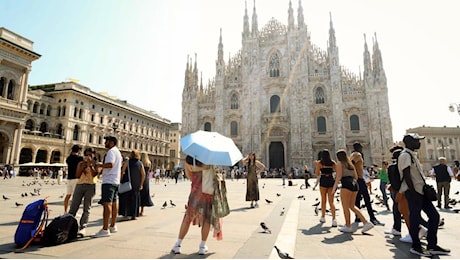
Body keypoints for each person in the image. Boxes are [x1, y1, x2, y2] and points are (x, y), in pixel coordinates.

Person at [399, 133, 450, 256]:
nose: (419, 143)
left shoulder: (412, 155)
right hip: (414, 192)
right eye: (417, 141)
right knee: (415, 218)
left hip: (421, 191)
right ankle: (416, 246)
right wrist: (413, 191)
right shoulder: (405, 155)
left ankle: (432, 245)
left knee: (434, 216)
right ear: (410, 142)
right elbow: (406, 175)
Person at [171, 156, 221, 255]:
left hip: (195, 193)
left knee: (188, 218)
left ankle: (178, 245)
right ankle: (202, 246)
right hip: (207, 193)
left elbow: (189, 176)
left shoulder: (189, 160)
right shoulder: (208, 160)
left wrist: (196, 171)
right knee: (206, 220)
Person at [333, 149, 374, 233]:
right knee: (352, 206)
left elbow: (338, 177)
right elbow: (356, 176)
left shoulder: (340, 164)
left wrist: (334, 189)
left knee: (345, 207)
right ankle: (366, 222)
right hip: (355, 185)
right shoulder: (351, 164)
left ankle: (348, 226)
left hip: (346, 185)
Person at [92, 136, 123, 238]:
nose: (105, 142)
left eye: (107, 141)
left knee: (107, 204)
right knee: (114, 203)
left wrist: (99, 165)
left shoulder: (111, 152)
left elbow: (110, 164)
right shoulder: (118, 152)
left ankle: (105, 229)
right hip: (115, 181)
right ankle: (113, 226)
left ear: (112, 142)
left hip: (109, 181)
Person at [351, 142, 384, 227]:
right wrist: (357, 175)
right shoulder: (358, 155)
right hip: (360, 180)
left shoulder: (351, 154)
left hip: (356, 179)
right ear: (359, 148)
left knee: (357, 199)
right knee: (367, 198)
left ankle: (357, 217)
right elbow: (351, 164)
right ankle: (372, 218)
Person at [68, 147, 99, 236]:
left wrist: (90, 165)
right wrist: (82, 166)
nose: (88, 157)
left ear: (93, 155)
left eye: (90, 155)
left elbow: (95, 175)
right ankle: (69, 225)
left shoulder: (96, 164)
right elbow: (77, 175)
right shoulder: (81, 163)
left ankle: (83, 227)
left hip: (91, 185)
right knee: (74, 206)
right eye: (86, 155)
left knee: (87, 207)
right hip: (80, 184)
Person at [119, 150, 146, 220]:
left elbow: (122, 171)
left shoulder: (127, 162)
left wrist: (121, 180)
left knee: (126, 199)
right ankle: (134, 215)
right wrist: (141, 184)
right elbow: (143, 174)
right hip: (136, 183)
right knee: (135, 199)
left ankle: (125, 214)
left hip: (127, 182)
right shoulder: (140, 163)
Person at [314, 149, 337, 227]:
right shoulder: (333, 163)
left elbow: (317, 173)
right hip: (331, 180)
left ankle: (323, 217)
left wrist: (317, 166)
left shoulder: (320, 163)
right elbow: (338, 171)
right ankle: (334, 220)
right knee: (331, 202)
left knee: (323, 200)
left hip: (323, 181)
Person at [64, 144, 83, 213]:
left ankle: (65, 211)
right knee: (75, 197)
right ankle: (73, 212)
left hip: (69, 178)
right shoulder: (79, 158)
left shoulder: (68, 158)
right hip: (76, 179)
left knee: (68, 195)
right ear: (78, 150)